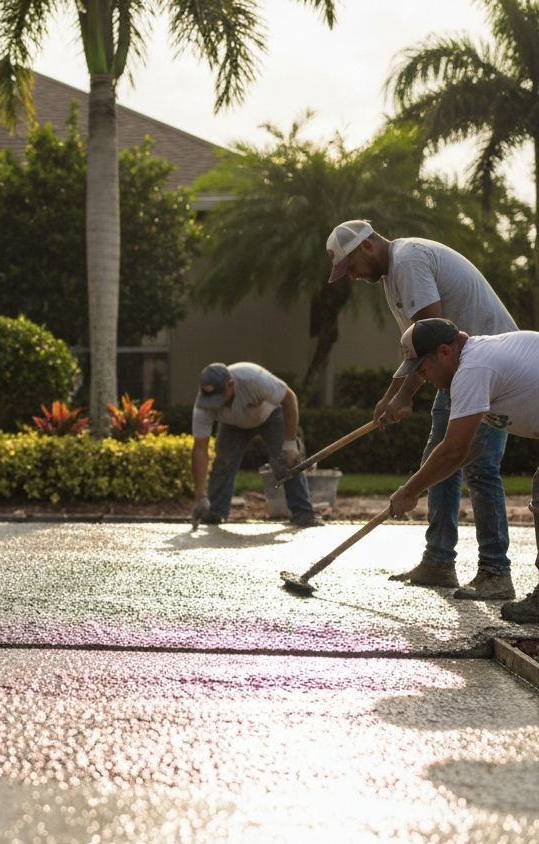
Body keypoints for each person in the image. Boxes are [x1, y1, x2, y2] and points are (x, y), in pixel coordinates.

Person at [326, 219, 517, 600]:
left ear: (366, 247)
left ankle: (496, 572)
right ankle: (439, 561)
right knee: (438, 462)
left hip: (489, 368)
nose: (352, 276)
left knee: (478, 467)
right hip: (459, 367)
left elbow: (433, 333)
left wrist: (403, 395)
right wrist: (393, 394)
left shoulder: (408, 260)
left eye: (351, 267)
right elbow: (420, 347)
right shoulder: (393, 273)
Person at [387, 318, 539, 622]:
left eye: (423, 367)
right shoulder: (474, 361)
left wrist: (410, 491)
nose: (421, 376)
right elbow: (466, 451)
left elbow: (453, 451)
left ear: (444, 351)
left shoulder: (472, 370)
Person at [191, 361, 322, 528]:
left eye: (218, 398)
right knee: (223, 463)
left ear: (230, 385)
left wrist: (289, 443)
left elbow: (289, 398)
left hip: (270, 416)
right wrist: (199, 496)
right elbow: (200, 449)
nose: (213, 405)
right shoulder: (203, 405)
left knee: (287, 461)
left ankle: (303, 514)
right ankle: (214, 513)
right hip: (232, 425)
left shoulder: (253, 379)